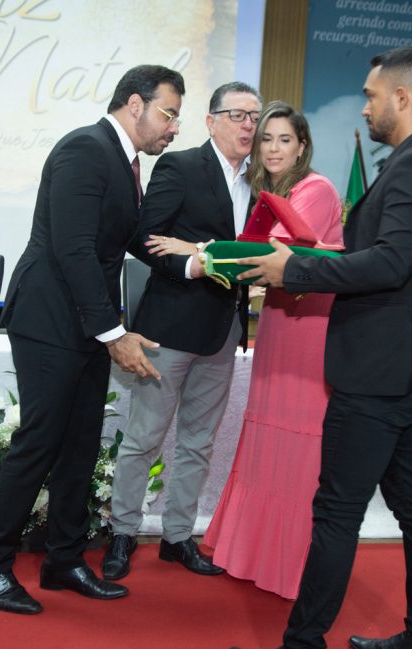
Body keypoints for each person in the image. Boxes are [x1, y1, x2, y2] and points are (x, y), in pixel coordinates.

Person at [225, 47, 412, 649]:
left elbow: (390, 263)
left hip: (379, 374)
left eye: (370, 95)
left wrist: (296, 267)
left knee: (336, 512)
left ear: (402, 98)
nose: (363, 106)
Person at [0, 65, 186, 615]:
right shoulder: (85, 149)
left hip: (84, 325)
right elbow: (73, 249)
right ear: (135, 104)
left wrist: (195, 260)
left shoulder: (122, 159)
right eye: (169, 113)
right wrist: (114, 332)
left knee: (80, 445)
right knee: (39, 443)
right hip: (48, 321)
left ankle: (63, 560)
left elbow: (129, 239)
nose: (174, 128)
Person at [101, 82, 262, 581]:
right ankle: (123, 533)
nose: (248, 126)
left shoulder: (258, 184)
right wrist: (197, 262)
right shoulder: (181, 166)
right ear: (211, 121)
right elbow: (146, 240)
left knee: (198, 443)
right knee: (144, 439)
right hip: (168, 329)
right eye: (237, 115)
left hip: (223, 330)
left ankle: (177, 538)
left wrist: (203, 249)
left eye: (254, 118)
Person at [202, 101, 343, 600]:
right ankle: (250, 552)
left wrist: (204, 253)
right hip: (280, 325)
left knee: (299, 441)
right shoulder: (271, 193)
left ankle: (290, 565)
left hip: (308, 332)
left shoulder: (316, 189)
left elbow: (274, 252)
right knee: (265, 434)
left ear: (302, 145)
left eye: (285, 139)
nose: (274, 148)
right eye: (266, 139)